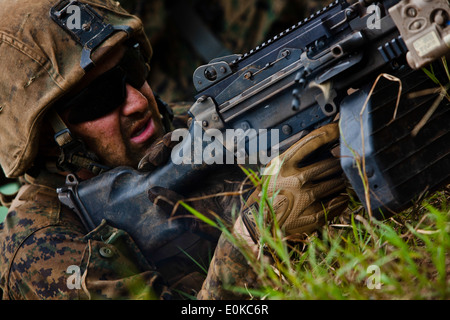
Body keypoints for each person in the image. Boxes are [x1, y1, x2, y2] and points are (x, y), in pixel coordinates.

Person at [0, 0, 346, 300]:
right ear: (46, 140)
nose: (137, 101)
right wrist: (256, 238)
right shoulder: (41, 250)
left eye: (132, 70)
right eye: (98, 99)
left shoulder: (182, 127)